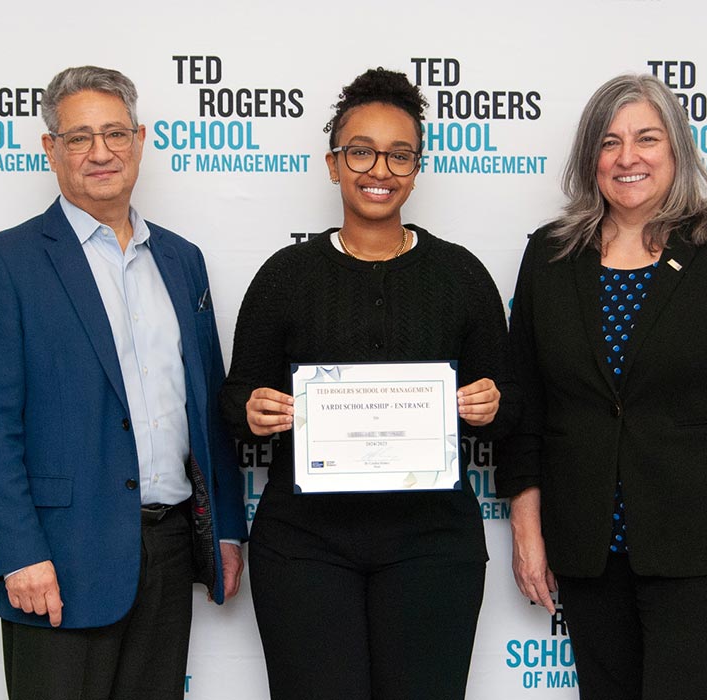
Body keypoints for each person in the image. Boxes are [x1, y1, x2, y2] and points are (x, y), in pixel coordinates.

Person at [497, 73, 707, 700]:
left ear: (677, 151)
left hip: (697, 541)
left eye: (647, 138)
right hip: (585, 543)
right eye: (609, 142)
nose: (627, 157)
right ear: (591, 158)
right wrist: (528, 534)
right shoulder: (550, 255)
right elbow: (525, 412)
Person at [220, 67, 518, 700]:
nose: (379, 169)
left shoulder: (462, 276)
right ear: (334, 164)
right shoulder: (284, 276)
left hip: (433, 547)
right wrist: (253, 408)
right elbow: (233, 396)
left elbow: (514, 405)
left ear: (416, 168)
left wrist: (491, 404)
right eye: (361, 151)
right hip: (304, 547)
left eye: (399, 155)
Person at [0, 65, 248, 700]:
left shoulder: (181, 259)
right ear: (50, 149)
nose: (101, 153)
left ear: (140, 139)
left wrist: (225, 527)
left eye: (115, 133)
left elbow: (206, 403)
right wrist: (16, 555)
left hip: (169, 550)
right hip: (59, 557)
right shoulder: (3, 264)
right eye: (79, 137)